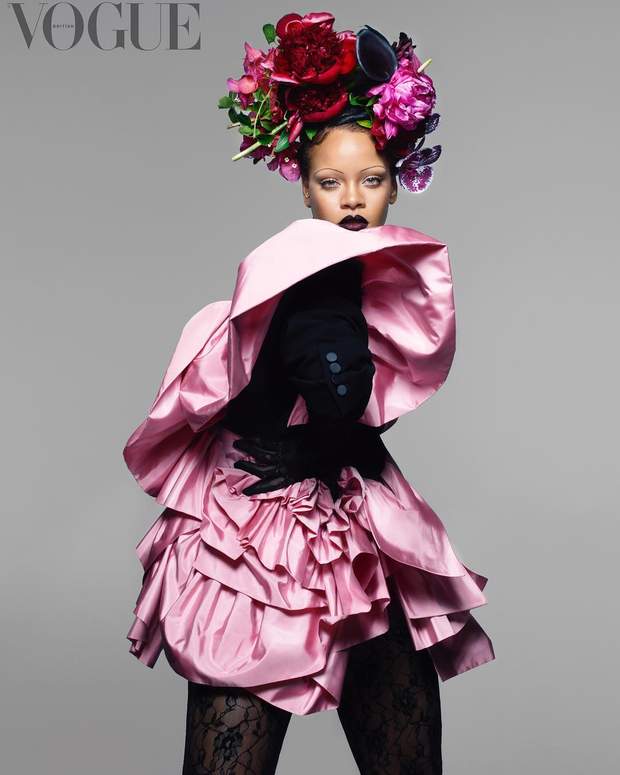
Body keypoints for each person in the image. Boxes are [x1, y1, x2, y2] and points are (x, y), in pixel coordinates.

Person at [123, 13, 495, 774]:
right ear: (303, 187)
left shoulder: (358, 276)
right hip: (259, 545)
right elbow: (338, 391)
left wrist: (333, 434)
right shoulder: (305, 276)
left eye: (371, 180)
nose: (353, 200)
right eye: (331, 183)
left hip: (357, 532)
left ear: (396, 183)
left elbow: (343, 405)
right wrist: (327, 358)